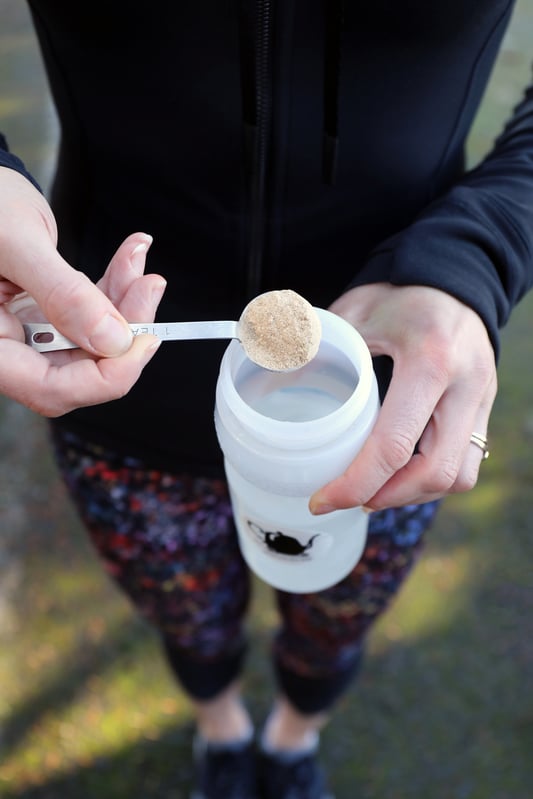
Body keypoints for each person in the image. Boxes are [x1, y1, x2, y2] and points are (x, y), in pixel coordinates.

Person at [1, 2, 531, 797]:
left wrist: (476, 254)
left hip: (389, 405)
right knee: (185, 615)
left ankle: (292, 738)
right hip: (117, 384)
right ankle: (220, 728)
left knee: (338, 617)